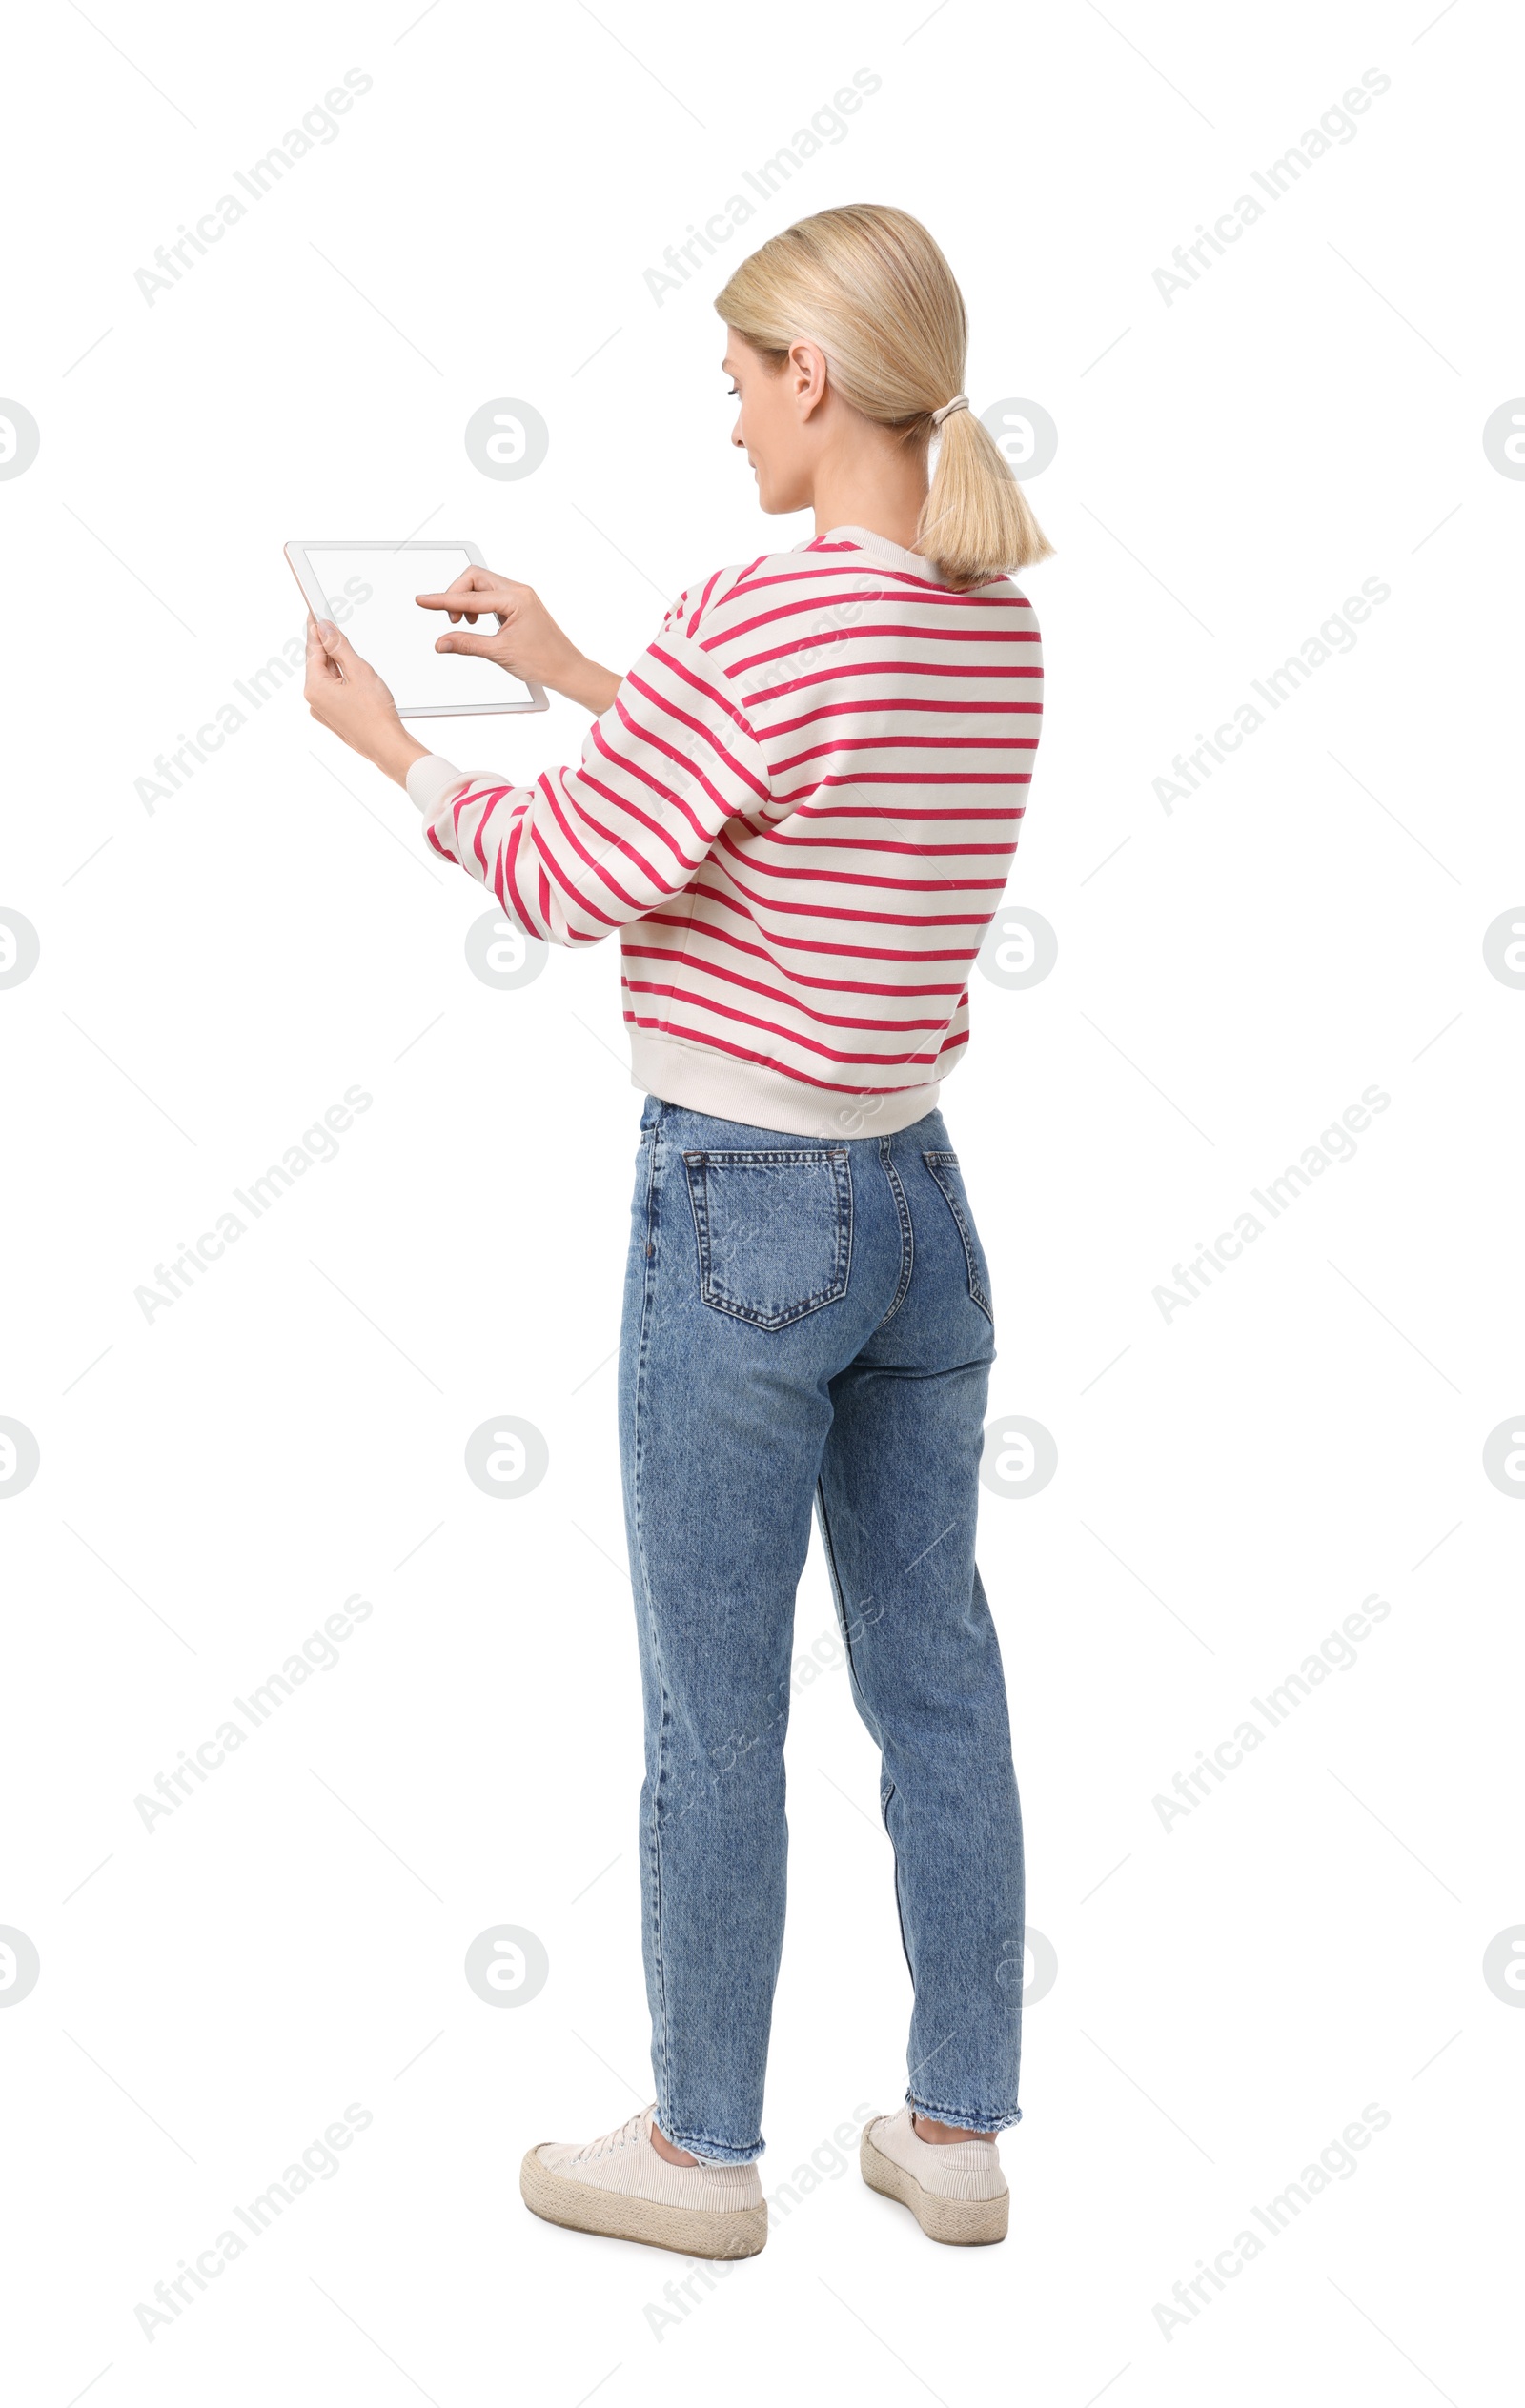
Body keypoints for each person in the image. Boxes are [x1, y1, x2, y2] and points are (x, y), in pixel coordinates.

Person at [305, 201, 1050, 2257]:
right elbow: (792, 810)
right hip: (914, 1202)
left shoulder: (762, 608)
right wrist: (570, 666)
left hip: (741, 1211)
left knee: (713, 1703)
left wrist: (398, 754)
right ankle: (955, 2130)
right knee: (938, 1679)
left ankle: (703, 2151)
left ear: (812, 379)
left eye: (736, 380)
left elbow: (571, 874)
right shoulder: (989, 621)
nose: (725, 420)